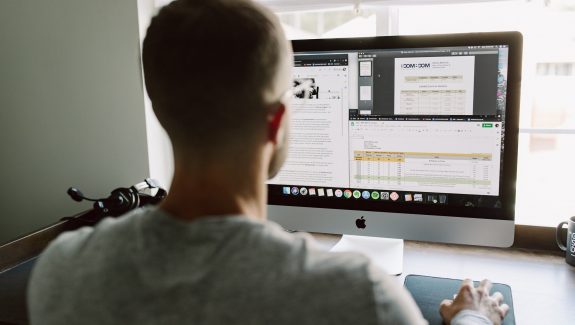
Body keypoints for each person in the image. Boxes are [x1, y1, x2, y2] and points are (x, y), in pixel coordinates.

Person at [28, 0, 509, 324]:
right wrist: (474, 316)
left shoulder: (63, 272)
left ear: (159, 107)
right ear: (276, 121)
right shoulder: (356, 298)